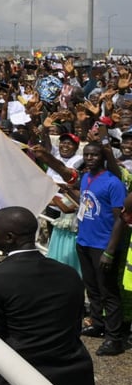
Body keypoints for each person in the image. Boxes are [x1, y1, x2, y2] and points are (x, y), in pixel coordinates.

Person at [0, 207, 96, 385]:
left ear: (9, 237)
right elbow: (73, 327)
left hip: (21, 382)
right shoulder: (69, 274)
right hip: (73, 379)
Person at [75, 141, 129, 355]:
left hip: (103, 245)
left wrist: (110, 251)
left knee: (108, 292)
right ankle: (98, 324)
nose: (89, 159)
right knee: (92, 288)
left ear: (103, 157)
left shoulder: (113, 183)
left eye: (94, 155)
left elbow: (120, 220)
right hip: (84, 242)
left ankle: (114, 338)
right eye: (87, 155)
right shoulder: (85, 177)